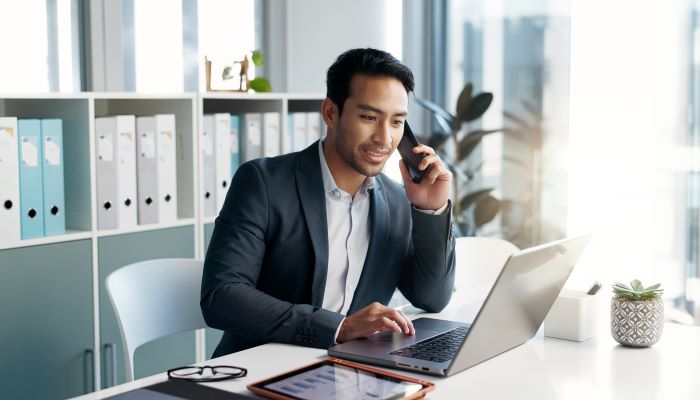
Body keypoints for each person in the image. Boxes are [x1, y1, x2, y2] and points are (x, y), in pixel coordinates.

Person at [201, 48, 456, 357]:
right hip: (260, 365)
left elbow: (432, 297)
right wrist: (338, 328)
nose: (384, 138)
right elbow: (222, 295)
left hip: (348, 371)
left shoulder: (397, 201)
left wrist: (430, 209)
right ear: (331, 113)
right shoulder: (263, 183)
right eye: (369, 117)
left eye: (396, 122)